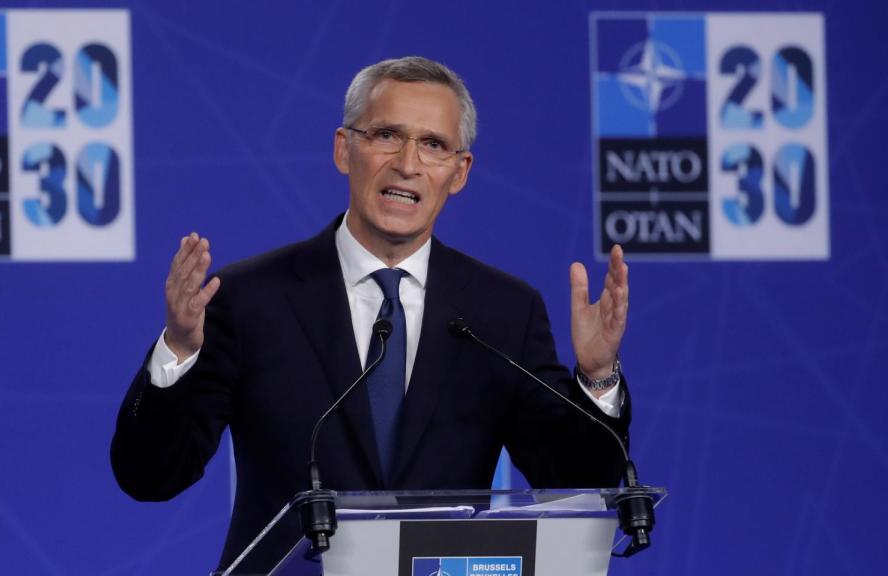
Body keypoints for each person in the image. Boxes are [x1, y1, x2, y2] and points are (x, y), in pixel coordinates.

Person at [111, 56, 631, 573]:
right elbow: (152, 476)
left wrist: (597, 377)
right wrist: (178, 350)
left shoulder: (502, 311)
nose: (408, 163)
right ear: (345, 149)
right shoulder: (251, 298)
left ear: (459, 171)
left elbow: (573, 483)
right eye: (386, 135)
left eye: (433, 144)